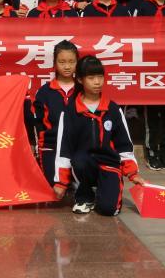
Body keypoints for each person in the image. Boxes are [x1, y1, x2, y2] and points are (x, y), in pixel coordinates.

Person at [53, 56, 144, 215]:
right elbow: (64, 148)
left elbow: (124, 144)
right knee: (79, 160)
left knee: (108, 209)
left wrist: (132, 173)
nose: (97, 82)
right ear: (80, 80)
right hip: (84, 163)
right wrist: (61, 183)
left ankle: (104, 190)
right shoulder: (69, 112)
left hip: (109, 163)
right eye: (91, 78)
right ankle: (85, 195)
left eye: (100, 77)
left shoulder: (113, 109)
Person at [30, 41, 79, 184]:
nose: (67, 66)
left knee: (82, 183)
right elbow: (39, 126)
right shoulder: (44, 92)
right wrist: (40, 150)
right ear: (54, 63)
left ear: (77, 62)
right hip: (51, 148)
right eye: (62, 62)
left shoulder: (83, 90)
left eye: (71, 62)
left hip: (78, 147)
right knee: (53, 186)